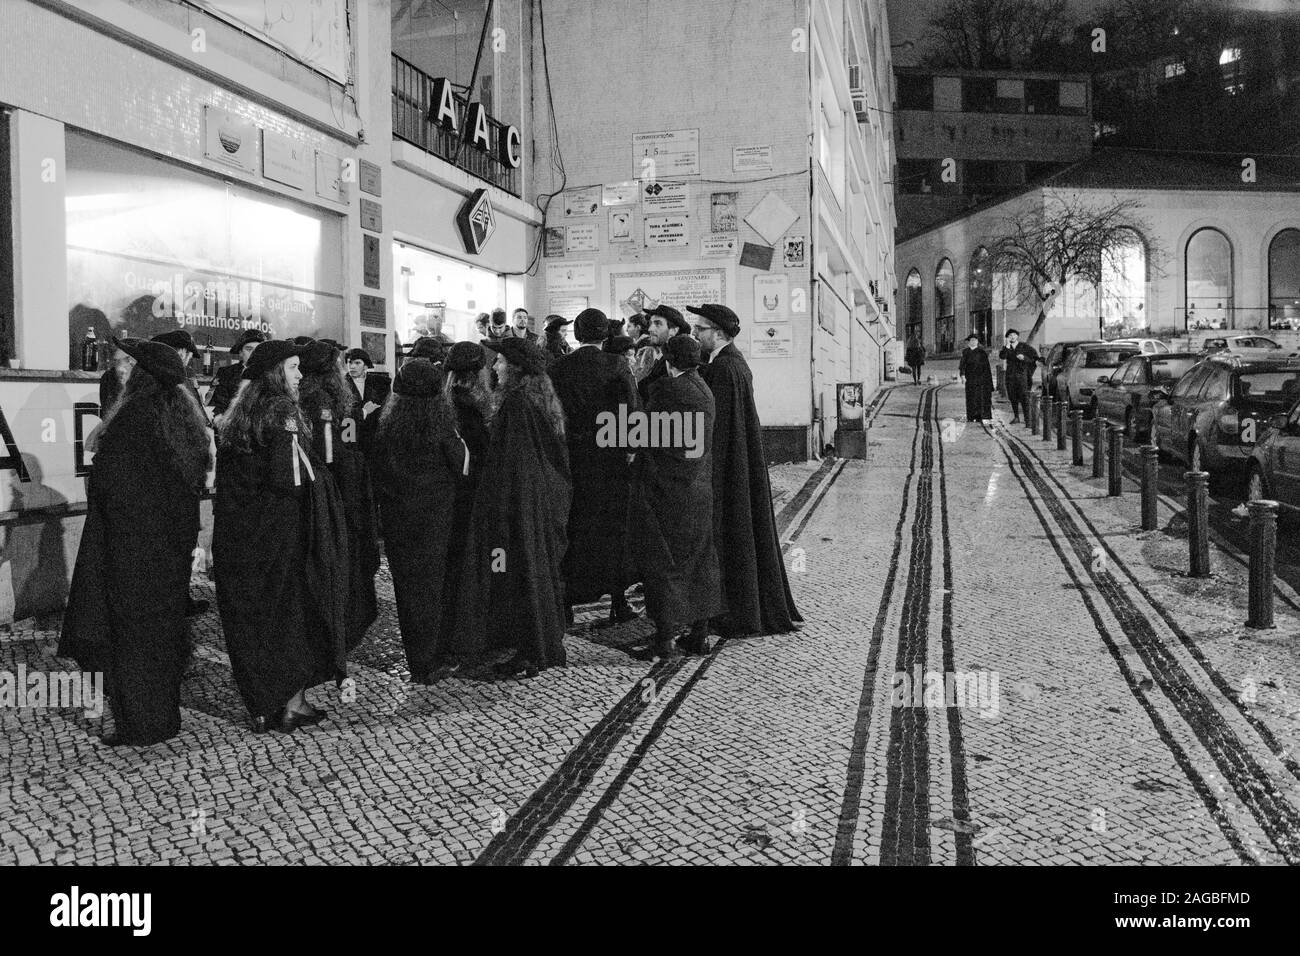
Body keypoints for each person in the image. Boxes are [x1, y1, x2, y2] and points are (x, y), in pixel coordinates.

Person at [60, 340, 212, 746]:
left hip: (130, 549)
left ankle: (140, 724)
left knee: (130, 637)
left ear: (141, 376)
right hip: (170, 548)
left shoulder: (131, 419)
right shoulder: (182, 419)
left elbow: (111, 489)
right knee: (163, 634)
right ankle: (164, 718)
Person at [214, 340, 350, 734]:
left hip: (242, 533)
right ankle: (292, 704)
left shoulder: (241, 411)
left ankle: (262, 704)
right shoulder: (282, 410)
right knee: (289, 615)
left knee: (255, 617)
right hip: (280, 533)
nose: (300, 374)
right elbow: (292, 475)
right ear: (276, 373)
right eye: (292, 368)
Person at [452, 337, 570, 678]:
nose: (495, 367)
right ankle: (541, 644)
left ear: (516, 367)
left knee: (522, 576)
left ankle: (531, 651)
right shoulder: (540, 398)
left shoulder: (517, 404)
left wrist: (498, 508)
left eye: (501, 361)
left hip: (521, 508)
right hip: (541, 503)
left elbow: (511, 464)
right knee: (537, 575)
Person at [689, 303, 801, 638]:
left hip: (728, 467)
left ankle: (736, 610)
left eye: (701, 329)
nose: (695, 333)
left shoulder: (724, 367)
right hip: (738, 463)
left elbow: (718, 426)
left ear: (718, 333)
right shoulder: (731, 362)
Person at [373, 359, 468, 683]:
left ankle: (417, 658)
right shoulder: (440, 424)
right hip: (434, 519)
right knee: (431, 588)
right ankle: (429, 661)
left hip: (398, 518)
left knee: (407, 590)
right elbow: (462, 463)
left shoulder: (386, 423)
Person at [628, 335, 721, 659]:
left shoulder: (667, 391)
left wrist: (644, 376)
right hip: (698, 488)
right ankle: (700, 635)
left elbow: (640, 431)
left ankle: (665, 640)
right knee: (699, 561)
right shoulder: (704, 389)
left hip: (667, 491)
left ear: (667, 361)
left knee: (663, 562)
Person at [548, 308, 640, 628]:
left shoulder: (558, 368)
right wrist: (629, 450)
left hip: (573, 460)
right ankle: (617, 600)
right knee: (613, 529)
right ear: (606, 335)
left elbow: (553, 416)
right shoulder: (618, 365)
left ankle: (567, 604)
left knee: (573, 528)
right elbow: (632, 412)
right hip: (610, 461)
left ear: (576, 334)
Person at [299, 341, 379, 652]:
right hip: (335, 493)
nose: (345, 369)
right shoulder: (322, 399)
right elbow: (331, 453)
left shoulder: (320, 396)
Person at [442, 341, 494, 643]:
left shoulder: (445, 400)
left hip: (454, 494)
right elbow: (480, 455)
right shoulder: (470, 407)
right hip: (471, 494)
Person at [637, 303, 692, 404]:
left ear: (674, 331)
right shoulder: (660, 356)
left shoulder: (678, 363)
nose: (650, 329)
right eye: (650, 324)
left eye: (658, 324)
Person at [344, 347, 391, 456]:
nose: (352, 366)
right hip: (352, 437)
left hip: (373, 438)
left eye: (357, 363)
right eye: (349, 362)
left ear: (365, 366)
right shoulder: (342, 384)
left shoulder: (379, 383)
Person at [210, 329, 266, 419]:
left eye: (259, 350)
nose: (254, 354)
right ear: (240, 352)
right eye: (249, 349)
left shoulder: (271, 374)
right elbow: (218, 407)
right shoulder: (226, 373)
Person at [999, 328, 1039, 425]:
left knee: (1024, 396)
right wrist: (1007, 346)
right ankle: (1016, 416)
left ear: (1017, 336)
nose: (1012, 337)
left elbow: (1034, 358)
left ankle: (1027, 418)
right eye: (1010, 335)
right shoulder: (1006, 348)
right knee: (1012, 396)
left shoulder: (1024, 347)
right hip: (1010, 375)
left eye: (1014, 335)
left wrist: (1024, 358)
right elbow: (1002, 356)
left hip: (1022, 375)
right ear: (1008, 338)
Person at [958, 333, 994, 423]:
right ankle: (971, 416)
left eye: (975, 340)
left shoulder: (982, 352)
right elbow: (962, 365)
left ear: (977, 342)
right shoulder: (965, 352)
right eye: (971, 340)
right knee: (970, 396)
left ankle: (979, 415)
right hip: (970, 377)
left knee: (979, 397)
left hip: (981, 378)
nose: (973, 342)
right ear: (969, 342)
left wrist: (987, 380)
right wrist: (962, 375)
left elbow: (986, 366)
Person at [626, 312, 658, 383]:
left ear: (638, 327)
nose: (626, 330)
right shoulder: (640, 343)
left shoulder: (646, 344)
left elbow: (642, 371)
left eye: (629, 326)